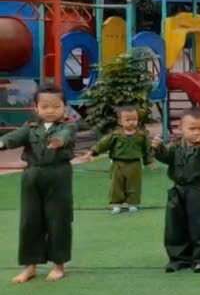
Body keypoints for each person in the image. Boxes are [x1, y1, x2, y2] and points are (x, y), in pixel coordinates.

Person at [0, 83, 76, 284]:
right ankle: (30, 266)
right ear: (35, 107)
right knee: (29, 220)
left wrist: (58, 142)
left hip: (58, 175)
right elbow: (15, 136)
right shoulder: (31, 127)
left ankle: (58, 265)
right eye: (45, 106)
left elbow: (64, 136)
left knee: (58, 219)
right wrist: (2, 142)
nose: (50, 111)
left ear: (64, 106)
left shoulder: (68, 125)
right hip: (32, 176)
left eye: (56, 106)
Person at [153, 109, 200, 273]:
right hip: (178, 189)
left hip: (197, 189)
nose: (197, 132)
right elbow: (166, 157)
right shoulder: (176, 147)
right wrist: (158, 148)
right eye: (192, 128)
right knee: (174, 225)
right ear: (181, 129)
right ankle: (178, 259)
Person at [82, 105, 152, 214]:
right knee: (116, 185)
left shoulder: (141, 135)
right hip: (118, 164)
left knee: (134, 184)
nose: (132, 122)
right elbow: (103, 144)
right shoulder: (115, 135)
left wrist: (148, 161)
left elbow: (146, 149)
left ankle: (133, 203)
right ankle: (116, 204)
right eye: (128, 120)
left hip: (135, 164)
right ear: (120, 121)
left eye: (134, 119)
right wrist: (92, 152)